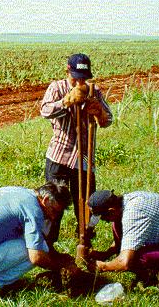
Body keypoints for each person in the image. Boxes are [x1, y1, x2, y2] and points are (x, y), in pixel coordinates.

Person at [0, 181, 81, 304]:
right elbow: (37, 257)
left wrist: (58, 256)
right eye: (54, 211)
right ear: (46, 199)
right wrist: (61, 267)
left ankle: (1, 276)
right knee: (39, 250)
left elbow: (39, 236)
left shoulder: (20, 193)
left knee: (35, 244)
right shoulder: (34, 210)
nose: (53, 217)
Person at [40, 53, 113, 243]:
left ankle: (85, 240)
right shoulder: (56, 88)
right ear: (67, 70)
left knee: (87, 203)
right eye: (76, 77)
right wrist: (66, 101)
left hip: (85, 157)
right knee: (54, 203)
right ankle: (48, 245)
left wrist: (100, 111)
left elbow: (108, 120)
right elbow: (44, 111)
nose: (80, 81)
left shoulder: (94, 91)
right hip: (59, 156)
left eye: (83, 77)